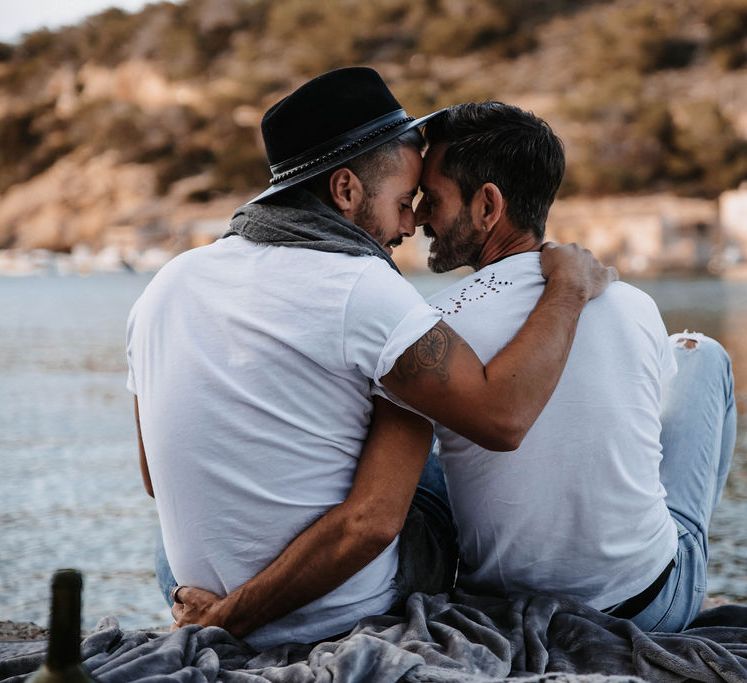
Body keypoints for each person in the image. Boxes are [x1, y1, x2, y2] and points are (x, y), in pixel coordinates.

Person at [127, 68, 613, 649]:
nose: (412, 224)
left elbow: (157, 477)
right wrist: (568, 288)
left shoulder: (169, 282)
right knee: (441, 457)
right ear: (346, 191)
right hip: (332, 612)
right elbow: (498, 422)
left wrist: (217, 603)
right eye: (405, 202)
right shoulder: (362, 289)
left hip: (190, 587)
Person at [412, 101, 736, 632]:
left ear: (487, 205)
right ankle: (675, 554)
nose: (422, 215)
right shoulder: (631, 303)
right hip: (649, 608)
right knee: (703, 354)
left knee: (409, 419)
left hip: (496, 607)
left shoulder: (431, 324)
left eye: (434, 199)